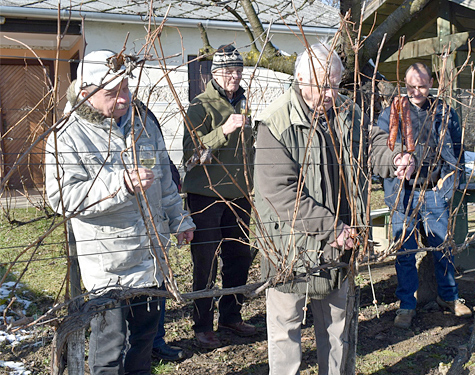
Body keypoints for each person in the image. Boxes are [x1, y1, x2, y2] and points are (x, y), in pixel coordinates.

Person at [254, 43, 410, 375]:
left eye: (336, 84)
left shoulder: (346, 111)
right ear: (299, 78)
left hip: (339, 246)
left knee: (338, 331)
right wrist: (332, 228)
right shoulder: (276, 123)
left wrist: (392, 159)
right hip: (290, 250)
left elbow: (372, 142)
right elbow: (279, 194)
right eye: (323, 84)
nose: (330, 93)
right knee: (286, 335)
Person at [45, 49, 195, 374]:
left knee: (142, 343)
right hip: (110, 267)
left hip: (153, 262)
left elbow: (165, 181)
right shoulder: (66, 136)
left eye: (126, 88)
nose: (125, 98)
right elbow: (62, 198)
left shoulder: (143, 124)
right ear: (86, 93)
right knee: (109, 351)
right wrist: (120, 184)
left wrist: (179, 218)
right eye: (113, 93)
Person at [377, 63, 471, 328]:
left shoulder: (444, 112)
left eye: (422, 86)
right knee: (404, 251)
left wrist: (450, 181)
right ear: (404, 84)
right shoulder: (390, 114)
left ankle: (449, 297)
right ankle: (406, 305)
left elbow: (458, 149)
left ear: (431, 83)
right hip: (401, 193)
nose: (416, 91)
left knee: (442, 248)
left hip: (433, 191)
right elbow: (378, 150)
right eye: (410, 86)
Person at [182, 44, 256, 349]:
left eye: (238, 71)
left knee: (238, 257)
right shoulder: (200, 106)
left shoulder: (243, 103)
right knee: (206, 262)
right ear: (215, 74)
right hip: (206, 196)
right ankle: (202, 324)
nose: (234, 76)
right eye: (228, 71)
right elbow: (191, 154)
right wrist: (223, 130)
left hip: (239, 196)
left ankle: (230, 316)